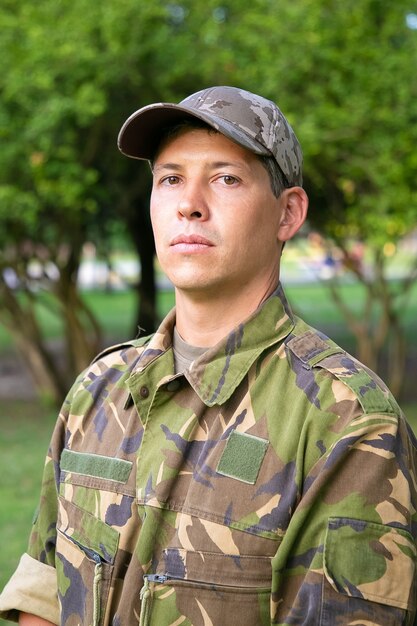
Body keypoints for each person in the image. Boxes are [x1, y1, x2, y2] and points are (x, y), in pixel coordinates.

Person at [0, 86, 416, 626]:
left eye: (226, 178)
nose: (189, 202)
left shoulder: (346, 422)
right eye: (170, 178)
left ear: (287, 214)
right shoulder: (98, 389)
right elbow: (45, 599)